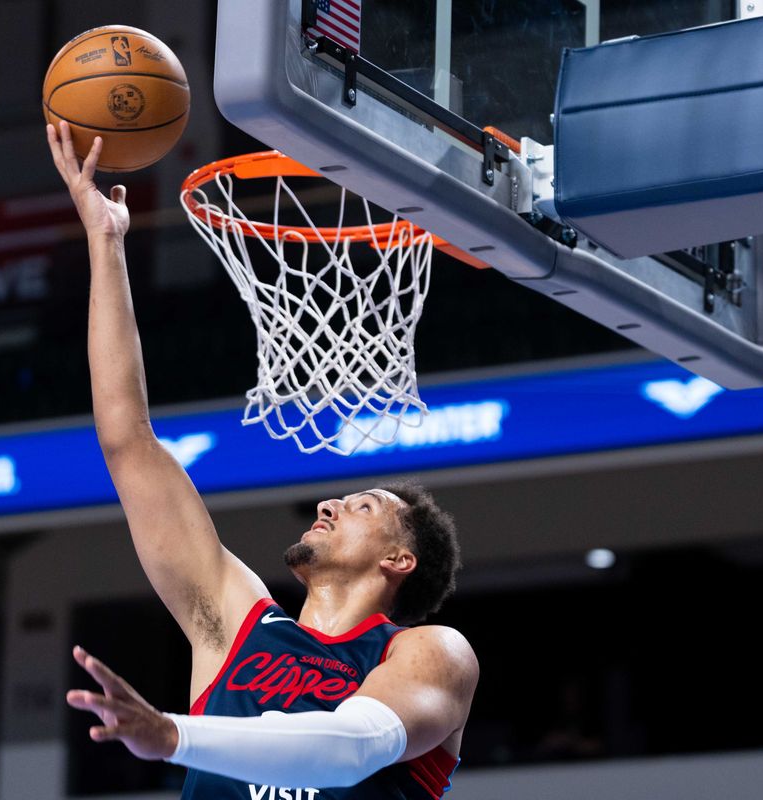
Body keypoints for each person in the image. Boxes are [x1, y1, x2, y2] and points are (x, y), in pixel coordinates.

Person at [46, 120, 478, 798]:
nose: (330, 503)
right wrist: (106, 242)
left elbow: (352, 746)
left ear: (400, 560)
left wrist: (174, 734)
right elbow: (128, 440)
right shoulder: (232, 624)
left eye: (363, 507)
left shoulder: (428, 653)